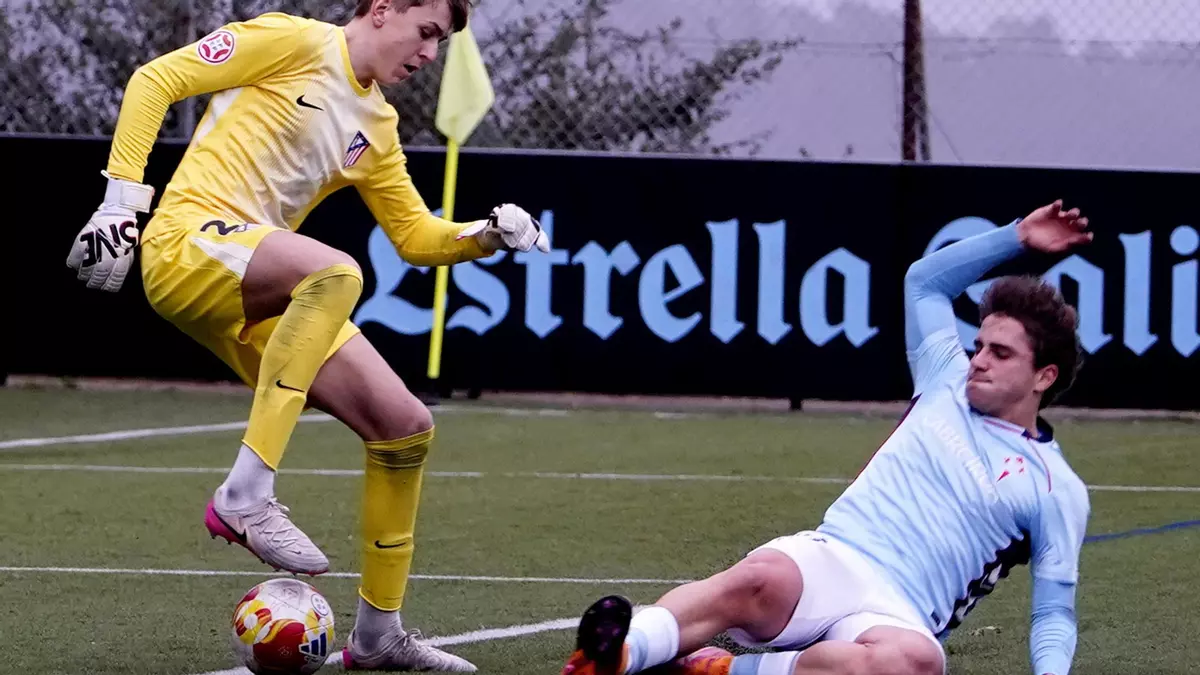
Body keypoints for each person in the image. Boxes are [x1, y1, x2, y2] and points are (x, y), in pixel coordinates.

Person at [63, 1, 545, 670]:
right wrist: (120, 204)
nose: (430, 54)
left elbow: (414, 236)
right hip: (183, 245)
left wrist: (484, 235)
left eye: (440, 42)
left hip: (254, 289)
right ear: (383, 9)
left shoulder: (377, 125)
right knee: (335, 272)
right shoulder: (292, 40)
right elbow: (156, 79)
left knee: (405, 426)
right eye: (427, 32)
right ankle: (244, 494)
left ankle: (378, 636)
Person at [561, 200, 1094, 675]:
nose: (978, 360)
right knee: (757, 577)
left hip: (898, 614)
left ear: (1043, 376)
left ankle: (718, 670)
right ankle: (619, 655)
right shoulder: (944, 375)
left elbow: (1053, 613)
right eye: (978, 346)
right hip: (834, 558)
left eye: (1001, 353)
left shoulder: (1056, 488)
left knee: (916, 663)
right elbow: (924, 281)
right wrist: (1016, 237)